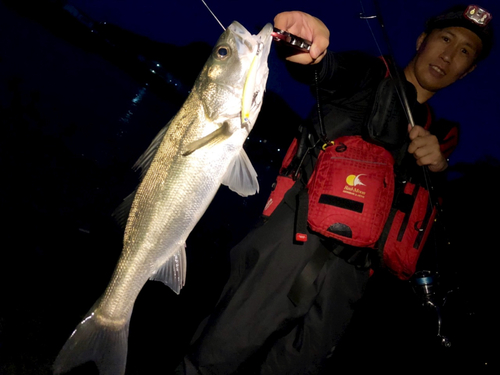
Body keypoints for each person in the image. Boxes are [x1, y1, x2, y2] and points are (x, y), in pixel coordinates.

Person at [175, 4, 493, 374]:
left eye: (465, 52)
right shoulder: (367, 73)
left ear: (467, 71)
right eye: (445, 39)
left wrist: (438, 166)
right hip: (292, 244)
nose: (449, 55)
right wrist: (304, 48)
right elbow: (323, 71)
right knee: (213, 358)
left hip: (351, 282)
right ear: (423, 40)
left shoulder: (444, 138)